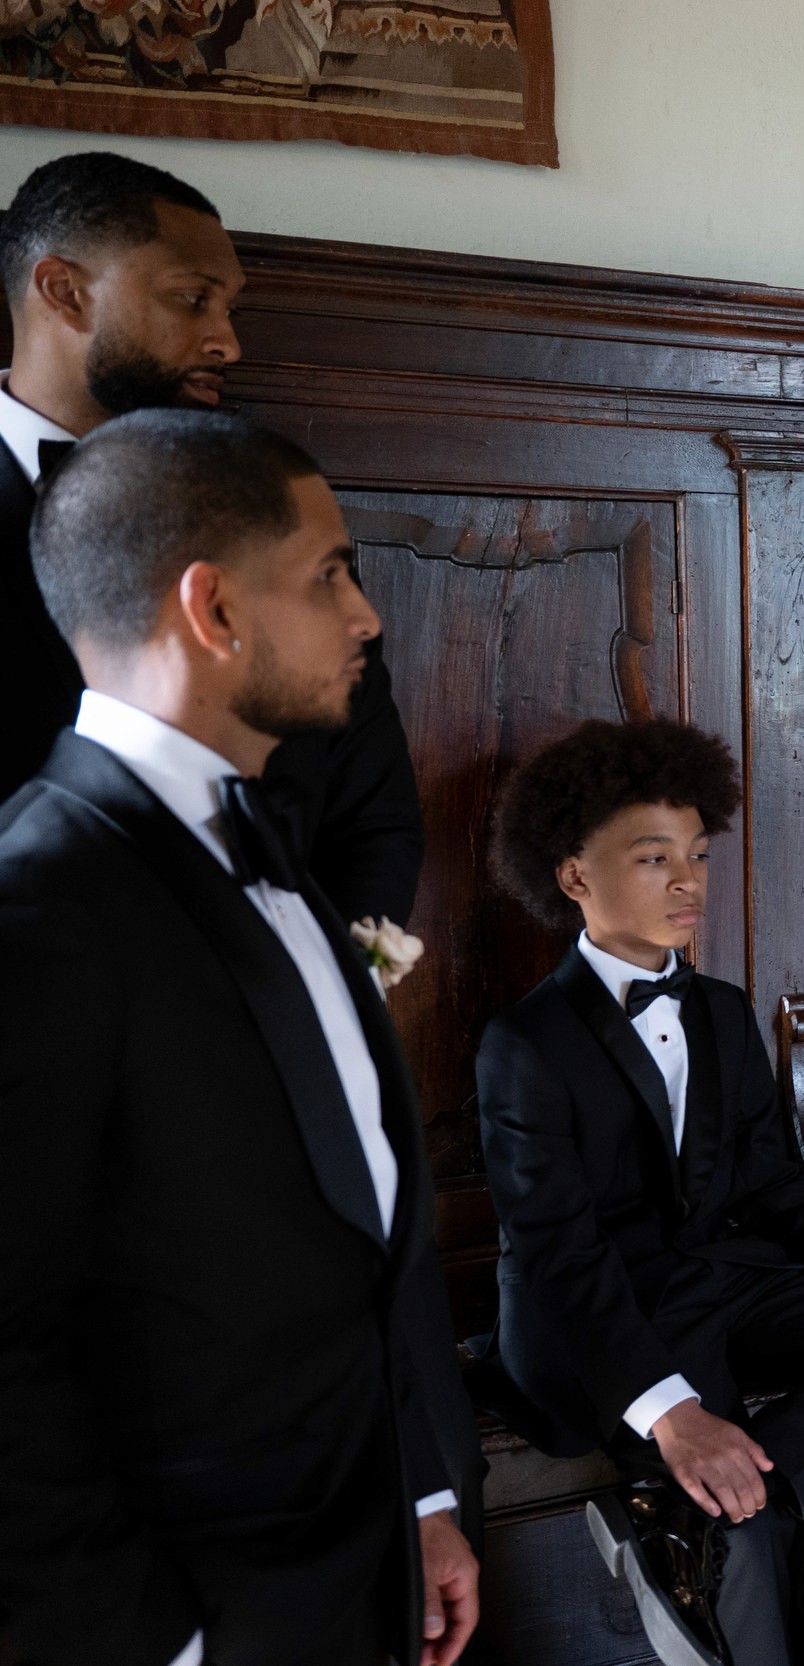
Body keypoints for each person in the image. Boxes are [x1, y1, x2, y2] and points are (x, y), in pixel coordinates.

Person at [0, 410, 478, 1665]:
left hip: (360, 1569)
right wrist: (153, 1640)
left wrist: (418, 1500)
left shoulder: (271, 853)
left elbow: (348, 1238)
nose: (366, 617)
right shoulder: (41, 901)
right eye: (329, 576)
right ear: (211, 607)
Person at [477, 717, 804, 1666]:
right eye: (653, 857)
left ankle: (708, 1510)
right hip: (598, 1315)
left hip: (722, 1280)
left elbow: (772, 1178)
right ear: (574, 875)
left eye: (698, 855)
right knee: (743, 1533)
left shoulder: (720, 1009)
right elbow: (557, 1255)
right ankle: (725, 1518)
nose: (689, 881)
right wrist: (673, 1415)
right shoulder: (525, 1044)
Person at [0, 150, 424, 923]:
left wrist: (337, 981)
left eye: (229, 308)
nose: (228, 343)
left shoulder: (278, 509)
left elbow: (373, 813)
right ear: (63, 291)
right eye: (193, 299)